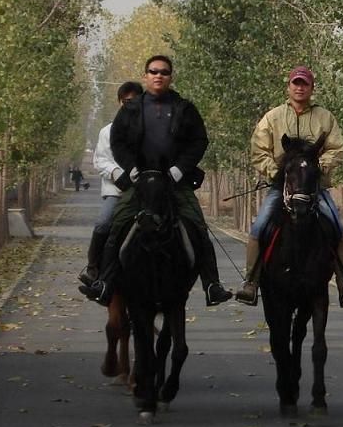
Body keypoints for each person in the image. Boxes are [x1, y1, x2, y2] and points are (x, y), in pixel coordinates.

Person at [81, 55, 232, 307]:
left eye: (164, 71)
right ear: (146, 76)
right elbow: (117, 141)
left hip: (174, 183)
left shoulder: (185, 108)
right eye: (153, 71)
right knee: (116, 225)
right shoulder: (130, 109)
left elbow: (199, 141)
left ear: (171, 76)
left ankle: (212, 284)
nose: (158, 75)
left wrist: (179, 169)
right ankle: (105, 283)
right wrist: (130, 169)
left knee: (198, 226)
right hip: (140, 183)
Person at [235, 65, 343, 308]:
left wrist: (317, 169)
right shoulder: (272, 118)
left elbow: (336, 148)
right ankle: (250, 281)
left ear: (312, 88)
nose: (299, 87)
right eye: (296, 83)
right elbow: (258, 150)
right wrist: (277, 172)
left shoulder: (325, 117)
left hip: (315, 190)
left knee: (337, 229)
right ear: (289, 87)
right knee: (259, 227)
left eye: (304, 84)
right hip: (281, 189)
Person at [77, 80, 144, 290]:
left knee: (187, 220)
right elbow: (100, 160)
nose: (130, 104)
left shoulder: (153, 127)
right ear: (119, 102)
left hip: (148, 189)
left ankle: (207, 278)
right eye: (126, 101)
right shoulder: (107, 131)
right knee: (104, 223)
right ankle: (93, 269)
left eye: (135, 101)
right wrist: (117, 173)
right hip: (117, 191)